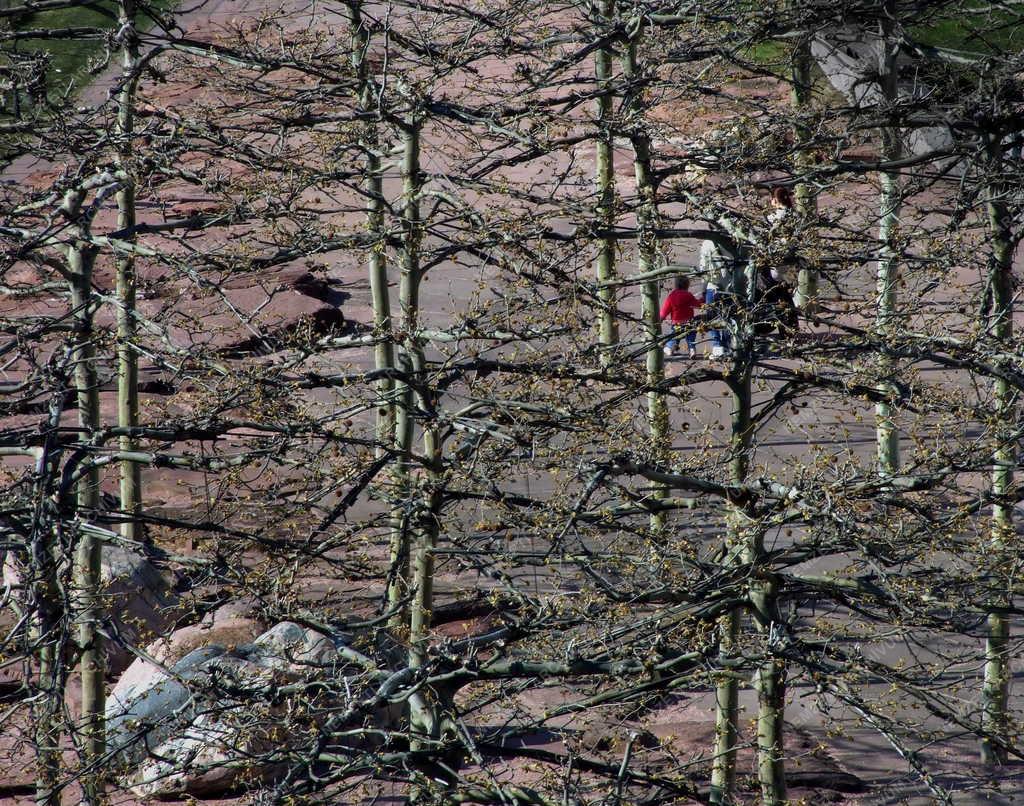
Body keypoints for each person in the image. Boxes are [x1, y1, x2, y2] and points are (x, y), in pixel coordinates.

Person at [660, 276, 703, 358]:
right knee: (690, 336)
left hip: (677, 322)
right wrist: (702, 300)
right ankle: (692, 349)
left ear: (676, 285)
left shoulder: (672, 296)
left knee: (675, 336)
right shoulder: (688, 295)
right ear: (687, 285)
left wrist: (661, 317)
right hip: (689, 321)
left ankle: (669, 348)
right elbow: (697, 305)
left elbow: (665, 309)